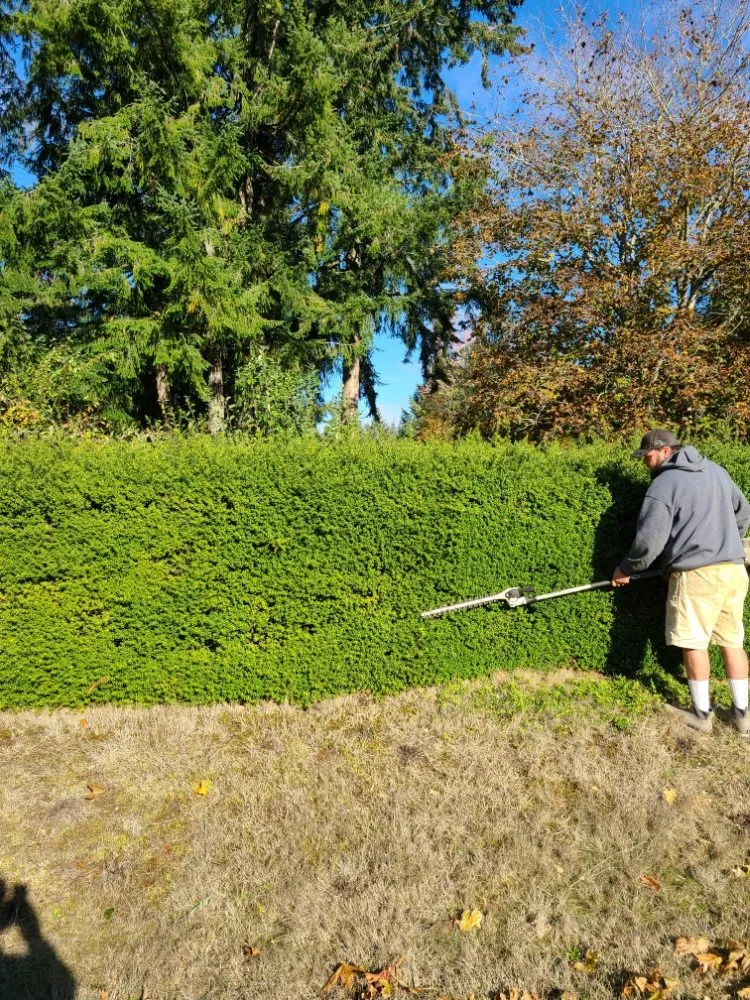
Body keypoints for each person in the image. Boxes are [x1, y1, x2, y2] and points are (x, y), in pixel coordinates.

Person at [611, 428, 750, 735]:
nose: (645, 463)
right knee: (732, 641)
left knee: (692, 642)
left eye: (647, 456)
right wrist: (725, 542)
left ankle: (701, 715)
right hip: (733, 569)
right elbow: (743, 512)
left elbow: (649, 541)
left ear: (664, 451)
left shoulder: (665, 484)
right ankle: (743, 717)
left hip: (696, 575)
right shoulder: (716, 471)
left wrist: (626, 569)